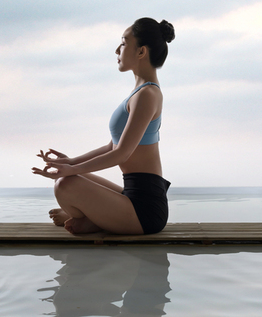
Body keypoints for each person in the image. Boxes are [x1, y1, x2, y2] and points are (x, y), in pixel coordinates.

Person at [32, 17, 175, 235]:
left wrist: (73, 169)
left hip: (146, 210)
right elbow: (112, 146)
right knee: (65, 178)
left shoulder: (148, 94)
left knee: (65, 185)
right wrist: (71, 162)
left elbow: (121, 154)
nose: (117, 49)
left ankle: (92, 219)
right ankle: (96, 219)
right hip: (131, 195)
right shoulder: (139, 93)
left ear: (141, 52)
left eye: (124, 43)